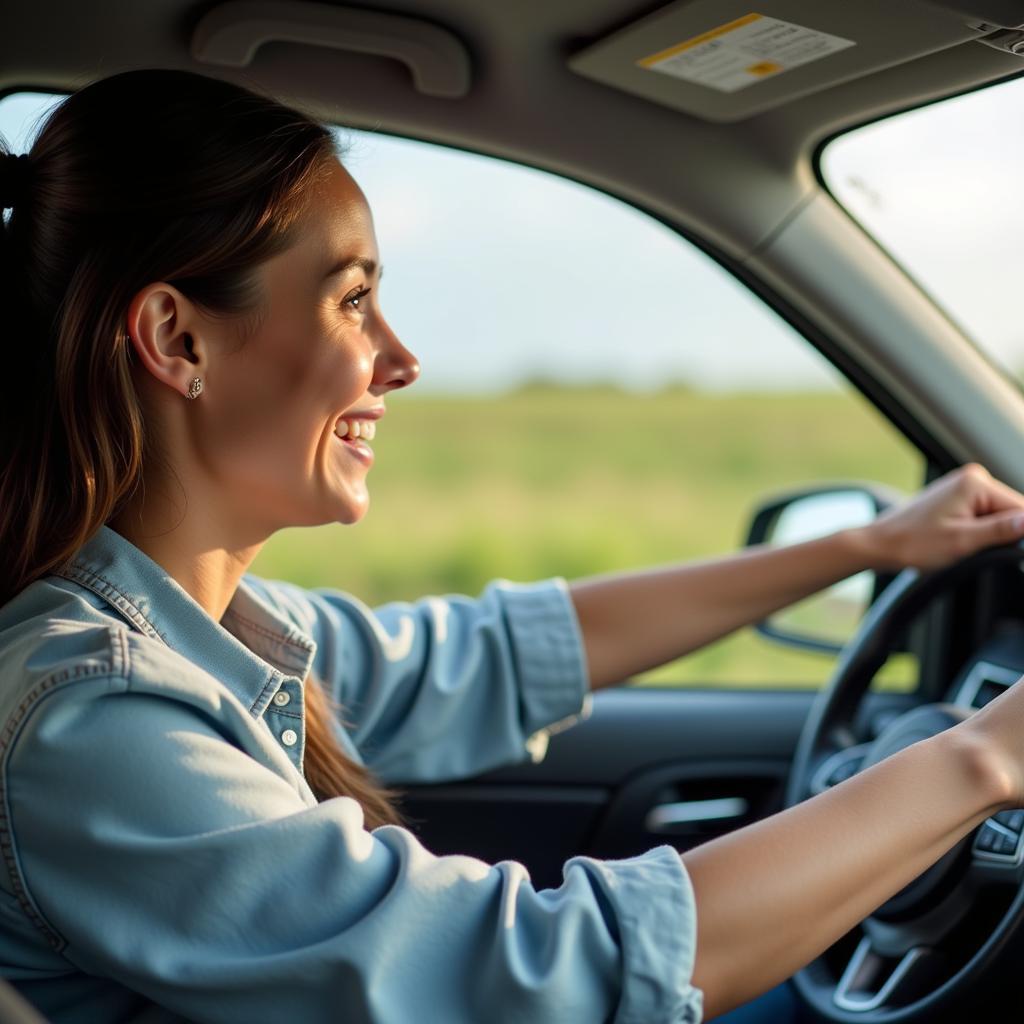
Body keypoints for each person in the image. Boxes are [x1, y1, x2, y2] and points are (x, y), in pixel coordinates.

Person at [2, 68, 1024, 1024]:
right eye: (352, 299)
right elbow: (532, 971)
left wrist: (866, 542)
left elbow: (494, 652)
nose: (400, 358)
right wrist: (981, 756)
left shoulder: (204, 630)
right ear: (177, 340)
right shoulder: (92, 717)